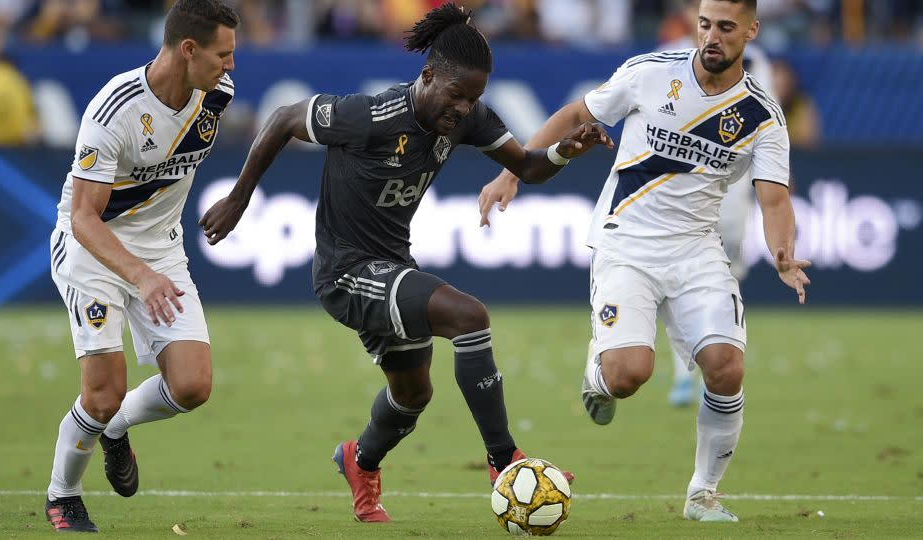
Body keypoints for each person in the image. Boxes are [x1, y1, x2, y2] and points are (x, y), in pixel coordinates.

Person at [199, 3, 609, 523]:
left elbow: (526, 167)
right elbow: (282, 119)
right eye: (457, 94)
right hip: (344, 272)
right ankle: (505, 460)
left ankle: (358, 459)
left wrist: (564, 151)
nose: (463, 108)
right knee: (470, 317)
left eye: (474, 98)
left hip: (392, 263)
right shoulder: (370, 116)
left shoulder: (469, 118)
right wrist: (239, 198)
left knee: (413, 394)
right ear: (428, 74)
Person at [479, 0, 810, 522]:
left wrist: (783, 251)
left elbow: (774, 199)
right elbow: (574, 115)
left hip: (696, 249)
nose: (712, 38)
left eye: (726, 28)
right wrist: (513, 169)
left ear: (751, 30)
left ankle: (702, 495)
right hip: (625, 242)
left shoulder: (762, 117)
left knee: (727, 367)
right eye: (705, 25)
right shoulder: (649, 73)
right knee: (630, 373)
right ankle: (599, 371)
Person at [44, 0, 238, 532]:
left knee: (193, 386)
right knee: (102, 393)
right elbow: (84, 217)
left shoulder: (216, 94)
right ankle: (63, 495)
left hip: (161, 249)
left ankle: (114, 430)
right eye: (223, 54)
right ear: (188, 50)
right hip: (93, 249)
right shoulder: (114, 111)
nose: (231, 66)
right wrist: (140, 275)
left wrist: (236, 200)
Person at [660, 0, 775, 407]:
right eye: (700, 15)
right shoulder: (670, 56)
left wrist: (778, 186)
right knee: (671, 278)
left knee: (725, 278)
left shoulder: (756, 63)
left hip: (734, 195)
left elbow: (770, 130)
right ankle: (681, 372)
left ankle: (714, 357)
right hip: (680, 193)